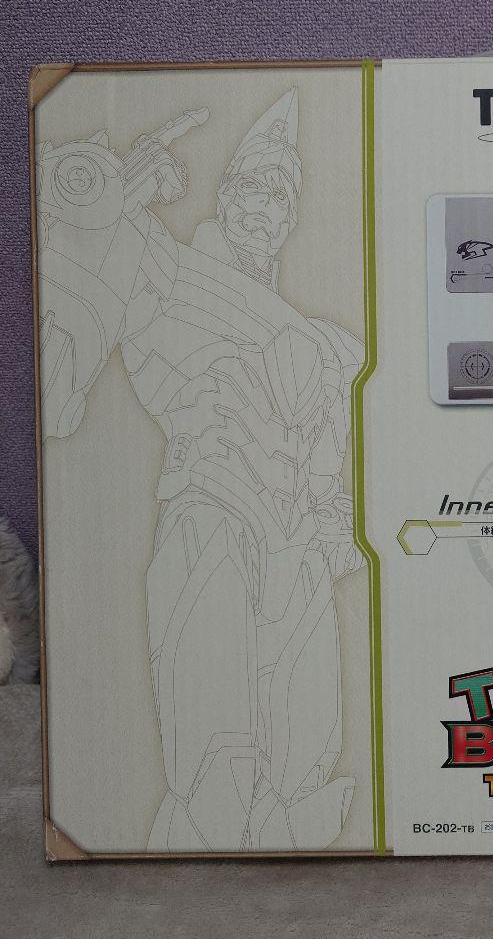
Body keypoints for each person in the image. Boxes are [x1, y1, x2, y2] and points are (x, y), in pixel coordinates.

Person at [37, 90, 362, 851]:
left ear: (290, 214)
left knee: (303, 746)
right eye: (252, 188)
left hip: (300, 542)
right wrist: (110, 195)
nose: (264, 207)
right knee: (215, 736)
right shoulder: (171, 270)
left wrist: (326, 513)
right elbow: (82, 270)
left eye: (279, 195)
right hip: (211, 508)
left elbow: (329, 454)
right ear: (227, 194)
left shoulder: (316, 341)